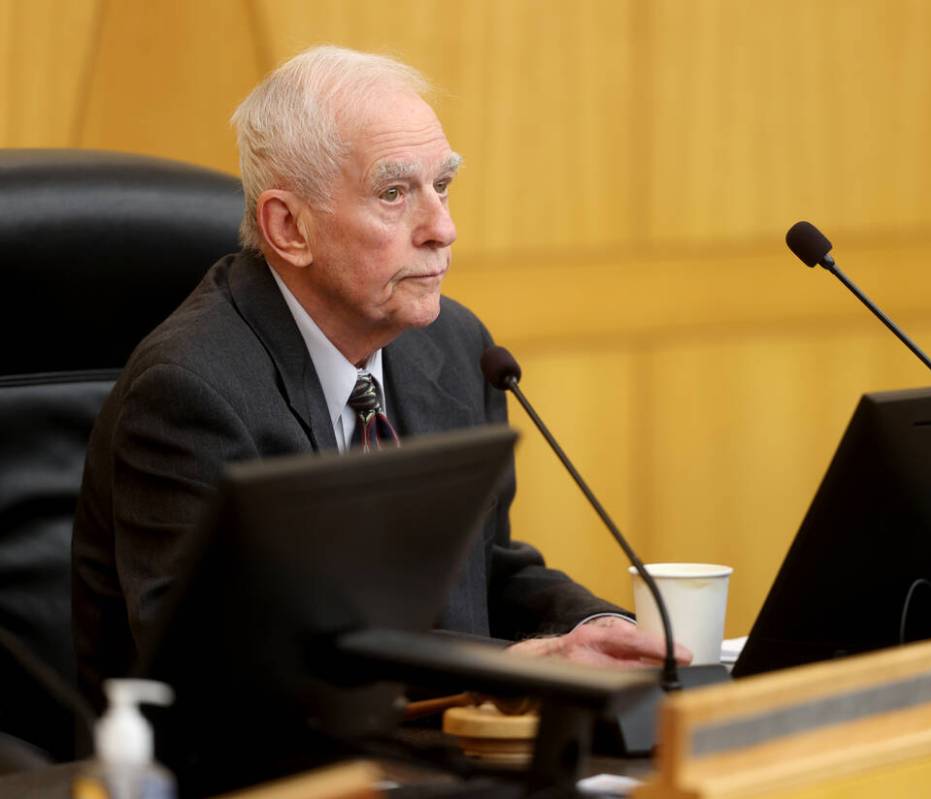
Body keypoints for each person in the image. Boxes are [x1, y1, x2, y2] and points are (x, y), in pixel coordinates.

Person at [71, 45, 687, 710]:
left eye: (442, 186)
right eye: (394, 194)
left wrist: (594, 628)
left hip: (419, 750)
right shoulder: (190, 392)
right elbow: (222, 668)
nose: (442, 228)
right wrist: (505, 668)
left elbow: (483, 569)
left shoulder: (453, 345)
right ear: (288, 227)